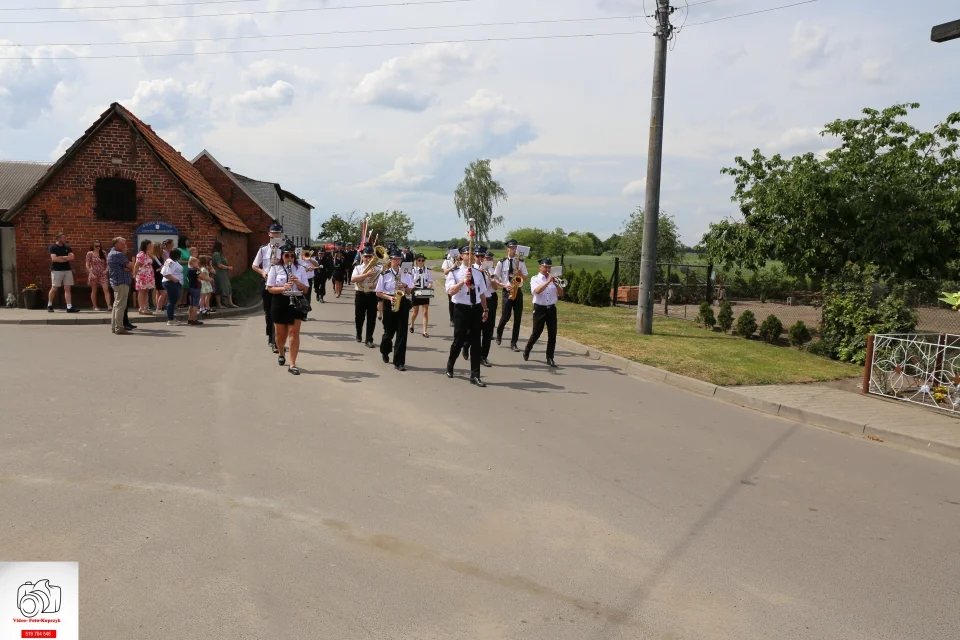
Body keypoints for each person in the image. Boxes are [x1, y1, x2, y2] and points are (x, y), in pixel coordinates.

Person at [445, 245, 489, 387]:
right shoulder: (455, 272)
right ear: (461, 256)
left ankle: (475, 375)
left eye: (472, 254)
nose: (470, 256)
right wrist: (463, 281)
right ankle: (450, 364)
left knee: (476, 342)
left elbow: (482, 293)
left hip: (475, 308)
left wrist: (485, 309)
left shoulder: (478, 273)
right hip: (461, 309)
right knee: (459, 340)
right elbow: (451, 292)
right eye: (467, 253)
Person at [266, 241, 310, 375]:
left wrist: (297, 282)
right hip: (280, 301)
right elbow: (270, 288)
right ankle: (281, 352)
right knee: (280, 335)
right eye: (287, 256)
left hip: (296, 301)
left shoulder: (300, 269)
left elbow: (306, 289)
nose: (290, 258)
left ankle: (292, 364)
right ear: (282, 256)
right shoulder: (275, 268)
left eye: (292, 256)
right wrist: (283, 287)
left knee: (294, 333)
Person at [375, 249, 414, 371]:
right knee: (388, 332)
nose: (398, 261)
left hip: (402, 302)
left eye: (399, 259)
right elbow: (378, 293)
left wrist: (405, 286)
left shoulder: (406, 274)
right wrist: (389, 297)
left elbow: (409, 292)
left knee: (402, 334)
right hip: (389, 301)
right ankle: (385, 351)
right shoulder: (384, 274)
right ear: (391, 260)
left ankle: (399, 362)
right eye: (396, 259)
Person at [523, 257, 564, 368]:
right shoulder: (535, 278)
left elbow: (561, 293)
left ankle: (550, 357)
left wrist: (555, 283)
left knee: (552, 334)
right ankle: (527, 349)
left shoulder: (554, 279)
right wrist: (548, 282)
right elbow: (536, 291)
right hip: (539, 309)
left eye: (549, 267)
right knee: (536, 332)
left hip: (551, 309)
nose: (547, 269)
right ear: (540, 267)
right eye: (545, 266)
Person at [252, 223, 283, 352]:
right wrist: (263, 272)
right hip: (266, 281)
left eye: (278, 233)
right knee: (268, 311)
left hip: (279, 283)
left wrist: (280, 262)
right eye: (273, 233)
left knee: (277, 311)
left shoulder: (284, 249)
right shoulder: (263, 249)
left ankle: (276, 340)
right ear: (269, 234)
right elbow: (254, 265)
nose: (276, 235)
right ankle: (271, 336)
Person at [494, 239, 529, 352]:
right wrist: (504, 285)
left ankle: (514, 343)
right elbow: (495, 277)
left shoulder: (521, 262)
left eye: (515, 248)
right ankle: (499, 332)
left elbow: (525, 277)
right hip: (507, 291)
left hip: (518, 291)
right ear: (507, 249)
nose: (514, 250)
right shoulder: (501, 262)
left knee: (517, 318)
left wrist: (520, 274)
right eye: (512, 248)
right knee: (505, 316)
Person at [350, 247, 379, 346]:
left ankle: (369, 339)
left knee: (372, 318)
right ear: (362, 257)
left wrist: (377, 285)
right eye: (366, 256)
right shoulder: (358, 268)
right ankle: (359, 333)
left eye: (370, 256)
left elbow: (381, 282)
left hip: (372, 294)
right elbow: (353, 279)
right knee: (359, 316)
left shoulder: (378, 268)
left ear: (373, 257)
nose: (367, 259)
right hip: (360, 294)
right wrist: (366, 275)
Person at [106, 237, 134, 334]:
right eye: (122, 244)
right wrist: (128, 267)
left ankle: (115, 326)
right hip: (121, 282)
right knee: (120, 306)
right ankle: (119, 328)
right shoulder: (117, 254)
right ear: (115, 245)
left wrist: (127, 267)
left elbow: (128, 266)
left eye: (125, 243)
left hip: (117, 282)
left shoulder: (112, 253)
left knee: (116, 305)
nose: (125, 246)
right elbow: (131, 265)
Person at [47, 232, 78, 313]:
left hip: (67, 270)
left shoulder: (67, 247)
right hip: (56, 270)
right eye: (63, 238)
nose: (65, 239)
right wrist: (65, 258)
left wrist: (61, 257)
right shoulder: (53, 247)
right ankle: (49, 305)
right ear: (58, 238)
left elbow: (72, 257)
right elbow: (54, 259)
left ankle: (69, 307)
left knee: (67, 288)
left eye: (65, 237)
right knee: (54, 288)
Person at [479, 249, 499, 367]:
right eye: (487, 258)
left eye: (491, 259)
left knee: (488, 330)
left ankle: (484, 356)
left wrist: (490, 277)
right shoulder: (476, 269)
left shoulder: (492, 271)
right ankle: (466, 346)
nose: (489, 260)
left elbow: (496, 287)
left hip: (490, 299)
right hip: (479, 301)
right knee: (474, 328)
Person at [408, 253, 433, 338]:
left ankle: (424, 331)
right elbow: (409, 280)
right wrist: (412, 285)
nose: (421, 262)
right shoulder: (413, 270)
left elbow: (430, 280)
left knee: (425, 312)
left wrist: (430, 284)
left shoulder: (427, 270)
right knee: (415, 312)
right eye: (419, 260)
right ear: (416, 261)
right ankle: (412, 324)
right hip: (416, 290)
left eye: (422, 260)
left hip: (425, 290)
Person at [85, 240, 111, 311]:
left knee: (106, 289)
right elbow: (87, 264)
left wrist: (106, 270)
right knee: (94, 290)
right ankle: (95, 306)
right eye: (96, 246)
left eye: (99, 246)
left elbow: (107, 263)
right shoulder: (90, 253)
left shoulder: (103, 253)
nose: (98, 247)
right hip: (94, 273)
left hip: (102, 273)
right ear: (93, 246)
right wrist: (91, 273)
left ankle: (109, 305)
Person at [160, 248, 184, 326]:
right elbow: (165, 272)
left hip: (175, 283)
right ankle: (170, 319)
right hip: (171, 282)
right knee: (172, 301)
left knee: (173, 301)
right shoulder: (169, 261)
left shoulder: (175, 261)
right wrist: (174, 279)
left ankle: (172, 318)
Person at [133, 239, 155, 315]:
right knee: (141, 291)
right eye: (149, 244)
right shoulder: (141, 254)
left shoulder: (148, 254)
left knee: (146, 291)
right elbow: (137, 265)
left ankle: (146, 307)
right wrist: (134, 274)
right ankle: (141, 307)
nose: (150, 246)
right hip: (142, 274)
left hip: (149, 275)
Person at [212, 241, 236, 308]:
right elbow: (219, 265)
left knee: (228, 287)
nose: (223, 247)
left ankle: (230, 303)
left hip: (223, 273)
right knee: (219, 287)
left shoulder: (220, 254)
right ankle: (219, 304)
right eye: (222, 246)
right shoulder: (216, 254)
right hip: (219, 273)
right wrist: (228, 268)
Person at [441, 246, 459, 327]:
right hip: (450, 283)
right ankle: (452, 319)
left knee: (458, 301)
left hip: (459, 282)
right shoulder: (447, 261)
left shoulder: (460, 260)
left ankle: (458, 318)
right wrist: (453, 267)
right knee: (451, 302)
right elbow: (445, 272)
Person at [185, 257, 204, 326]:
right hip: (196, 288)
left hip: (190, 288)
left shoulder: (188, 270)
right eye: (196, 262)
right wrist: (199, 269)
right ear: (193, 263)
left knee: (191, 304)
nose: (198, 264)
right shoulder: (195, 271)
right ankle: (194, 319)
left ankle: (189, 319)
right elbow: (202, 276)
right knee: (195, 305)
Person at [176, 236, 192, 308]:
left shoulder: (187, 249)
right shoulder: (178, 250)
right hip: (182, 269)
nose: (188, 242)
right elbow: (178, 261)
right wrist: (188, 262)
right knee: (182, 287)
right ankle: (179, 302)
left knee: (186, 286)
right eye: (187, 240)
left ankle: (184, 301)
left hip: (188, 269)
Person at [151, 242, 166, 311]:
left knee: (159, 292)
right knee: (163, 292)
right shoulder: (154, 257)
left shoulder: (160, 256)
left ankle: (159, 305)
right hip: (158, 275)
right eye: (160, 248)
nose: (162, 249)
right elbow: (156, 267)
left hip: (161, 274)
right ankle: (159, 307)